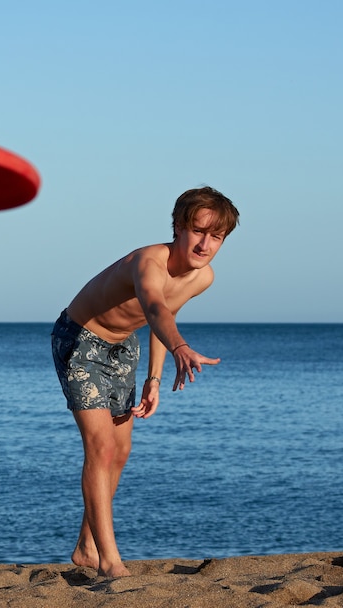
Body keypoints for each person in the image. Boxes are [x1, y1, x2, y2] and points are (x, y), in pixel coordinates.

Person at [51, 186, 240, 578]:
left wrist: (154, 378)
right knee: (100, 448)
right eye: (198, 231)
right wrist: (180, 348)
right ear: (178, 227)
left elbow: (160, 319)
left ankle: (87, 547)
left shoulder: (202, 278)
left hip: (123, 348)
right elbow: (154, 305)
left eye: (216, 236)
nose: (205, 244)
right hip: (81, 339)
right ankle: (110, 561)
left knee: (120, 451)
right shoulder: (149, 262)